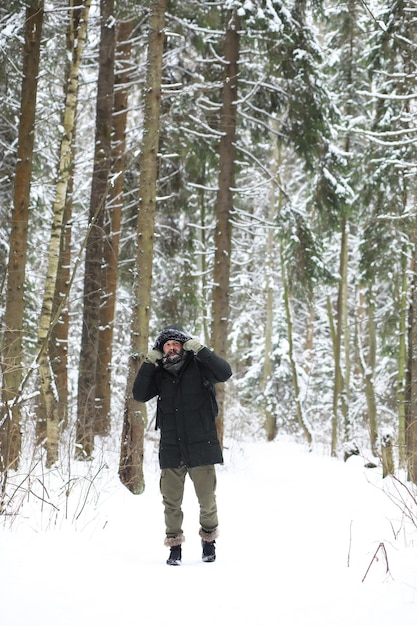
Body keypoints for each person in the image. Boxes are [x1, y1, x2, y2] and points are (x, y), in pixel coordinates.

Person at [132, 325, 232, 566]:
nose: (172, 347)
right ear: (162, 350)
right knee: (171, 502)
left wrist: (202, 350)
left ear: (185, 345)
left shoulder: (200, 366)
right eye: (167, 345)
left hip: (202, 444)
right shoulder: (159, 373)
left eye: (177, 343)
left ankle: (209, 541)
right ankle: (174, 546)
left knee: (207, 499)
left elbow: (225, 372)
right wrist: (148, 363)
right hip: (171, 447)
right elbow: (139, 394)